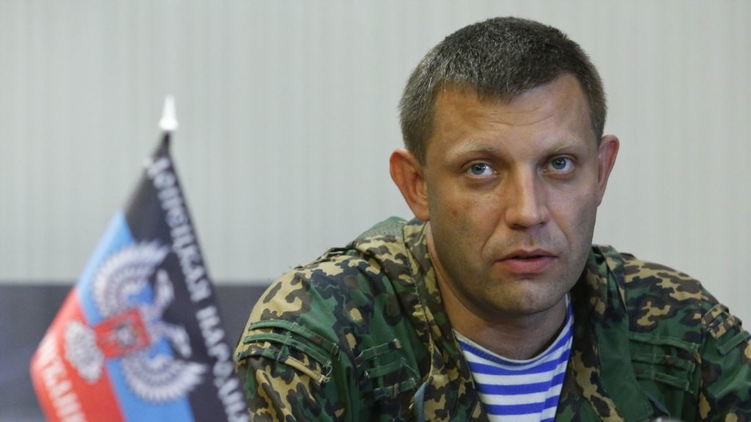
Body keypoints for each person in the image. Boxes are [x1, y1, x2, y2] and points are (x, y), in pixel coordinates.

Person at [233, 17, 751, 421]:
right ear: (417, 185)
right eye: (480, 169)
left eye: (559, 164)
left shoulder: (681, 331)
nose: (528, 212)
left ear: (601, 171)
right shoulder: (321, 339)